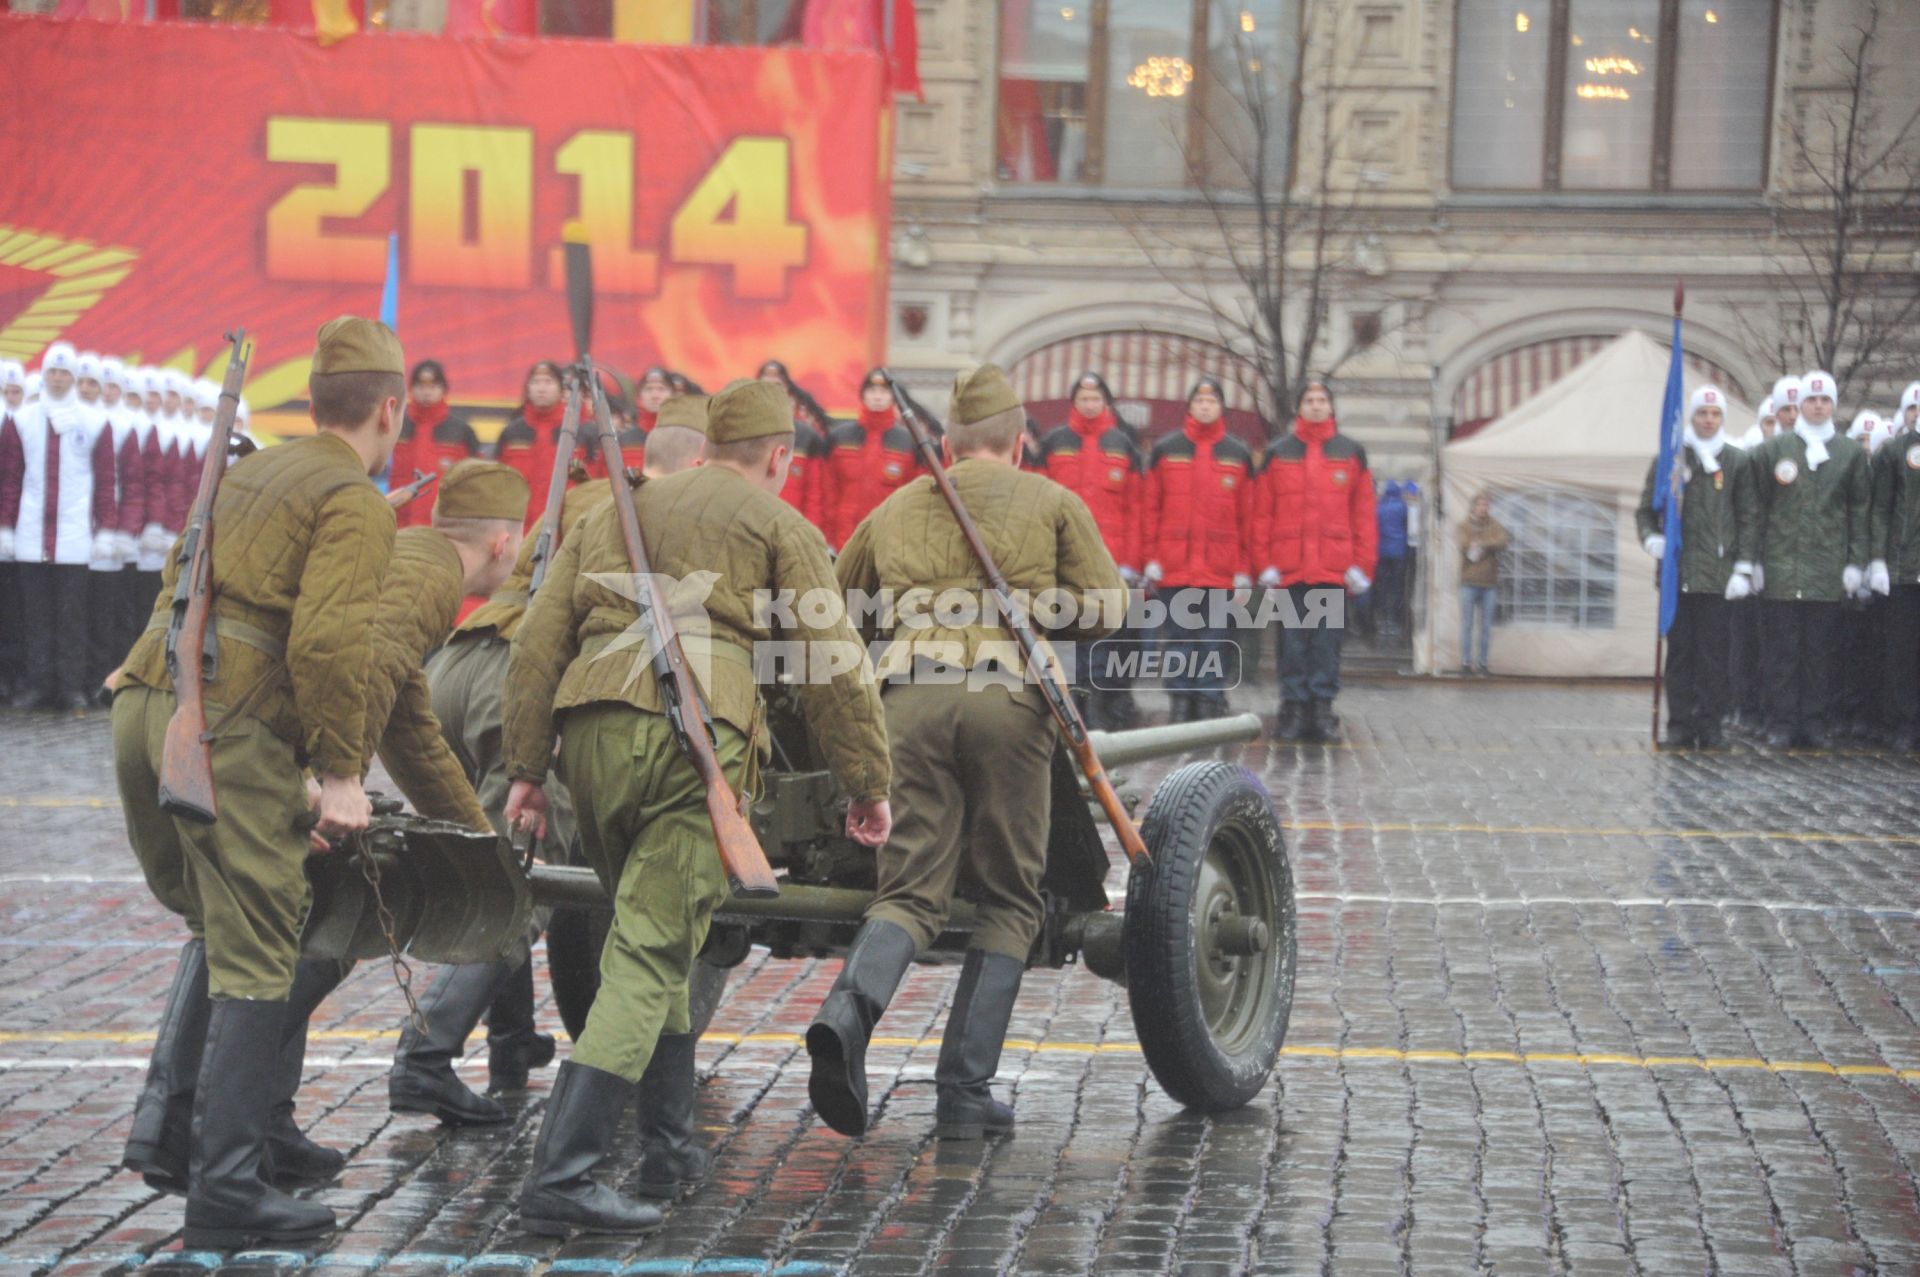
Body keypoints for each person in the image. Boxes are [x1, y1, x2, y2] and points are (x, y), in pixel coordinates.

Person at [501, 379, 892, 1236]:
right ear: (780, 456)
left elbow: (537, 642)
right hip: (691, 740)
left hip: (592, 739)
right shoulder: (780, 524)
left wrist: (525, 767)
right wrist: (867, 781)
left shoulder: (613, 512)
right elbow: (833, 659)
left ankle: (672, 1146)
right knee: (648, 950)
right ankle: (562, 1173)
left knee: (660, 932)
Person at [112, 316, 403, 1251]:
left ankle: (173, 1134)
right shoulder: (352, 496)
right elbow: (327, 641)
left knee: (219, 920)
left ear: (311, 400)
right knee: (257, 948)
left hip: (149, 703)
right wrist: (341, 774)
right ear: (390, 409)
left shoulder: (246, 472)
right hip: (225, 723)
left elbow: (177, 587)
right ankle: (228, 1190)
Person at [809, 365, 1124, 1142]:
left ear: (947, 444)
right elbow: (1107, 608)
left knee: (911, 891)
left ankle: (847, 1015)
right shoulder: (1052, 500)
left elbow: (837, 607)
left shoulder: (895, 506)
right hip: (1009, 701)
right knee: (1011, 896)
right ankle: (962, 1092)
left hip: (907, 699)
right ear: (1019, 442)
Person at [1737, 369, 1871, 749]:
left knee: (1819, 654)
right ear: (1798, 406)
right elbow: (1755, 510)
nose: (1817, 406)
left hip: (1827, 571)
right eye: (1810, 400)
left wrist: (1855, 563)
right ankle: (1781, 723)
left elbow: (1859, 511)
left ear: (1833, 405)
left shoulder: (1850, 454)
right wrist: (1753, 561)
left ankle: (1814, 723)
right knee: (1782, 653)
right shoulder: (1771, 453)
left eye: (1824, 400)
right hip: (1781, 568)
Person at [1252, 378, 1377, 740]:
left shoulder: (1351, 452)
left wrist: (1362, 565)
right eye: (1310, 399)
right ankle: (1293, 709)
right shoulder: (1279, 451)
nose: (1316, 405)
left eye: (1322, 399)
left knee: (1325, 645)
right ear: (1300, 407)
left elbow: (1363, 513)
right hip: (1290, 570)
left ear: (1331, 407)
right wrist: (1265, 564)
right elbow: (1263, 513)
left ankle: (1321, 710)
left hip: (1332, 569)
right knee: (1292, 644)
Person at [1636, 386, 1747, 749]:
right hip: (1678, 575)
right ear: (1692, 417)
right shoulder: (1670, 459)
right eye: (1702, 413)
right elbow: (1647, 509)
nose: (1709, 420)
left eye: (1715, 414)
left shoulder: (1735, 461)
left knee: (1715, 657)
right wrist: (1651, 537)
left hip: (1717, 577)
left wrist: (1743, 567)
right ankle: (1680, 725)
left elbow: (1748, 516)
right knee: (1680, 655)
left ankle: (1711, 724)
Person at [1142, 377, 1255, 722]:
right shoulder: (1166, 448)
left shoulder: (1237, 453)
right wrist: (1150, 558)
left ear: (1221, 407)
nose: (1205, 407)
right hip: (1176, 567)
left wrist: (1244, 569)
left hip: (1221, 570)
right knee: (1178, 639)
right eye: (1199, 401)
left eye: (1212, 401)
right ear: (1189, 407)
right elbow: (1151, 508)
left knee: (1215, 640)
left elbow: (1248, 516)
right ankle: (1180, 701)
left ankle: (1208, 702)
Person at [1, 342, 107, 711]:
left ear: (74, 378)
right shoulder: (23, 419)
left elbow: (106, 479)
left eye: (65, 373)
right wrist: (6, 527)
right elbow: (11, 478)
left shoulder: (93, 422)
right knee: (36, 617)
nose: (59, 378)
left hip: (75, 534)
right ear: (44, 375)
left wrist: (107, 529)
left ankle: (70, 686)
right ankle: (38, 684)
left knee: (72, 616)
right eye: (53, 372)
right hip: (32, 531)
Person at [1037, 371, 1144, 729]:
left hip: (1108, 562)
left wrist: (1131, 563)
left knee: (1103, 636)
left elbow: (1135, 510)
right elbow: (1036, 502)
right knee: (1066, 634)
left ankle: (1097, 706)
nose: (1089, 404)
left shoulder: (1122, 444)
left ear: (1106, 402)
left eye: (1096, 398)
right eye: (1083, 398)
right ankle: (1069, 708)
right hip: (1061, 558)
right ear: (1074, 402)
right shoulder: (1054, 443)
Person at [823, 368, 919, 549]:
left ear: (893, 398)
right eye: (872, 391)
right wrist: (826, 535)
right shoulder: (840, 437)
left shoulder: (908, 442)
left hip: (887, 537)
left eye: (884, 392)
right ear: (863, 395)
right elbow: (828, 491)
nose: (877, 397)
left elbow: (913, 497)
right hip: (843, 537)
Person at [1872, 392, 1920, 748]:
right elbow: (1880, 509)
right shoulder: (1894, 452)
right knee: (1902, 652)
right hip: (1904, 568)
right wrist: (1878, 559)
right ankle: (1903, 724)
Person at [389, 360, 481, 527]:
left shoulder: (462, 432)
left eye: (433, 386)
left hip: (443, 528)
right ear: (411, 389)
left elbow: (477, 483)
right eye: (421, 386)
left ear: (444, 389)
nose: (426, 392)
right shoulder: (395, 427)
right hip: (398, 525)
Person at [494, 360, 579, 529]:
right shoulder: (512, 433)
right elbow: (497, 487)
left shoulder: (579, 433)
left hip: (567, 531)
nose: (541, 388)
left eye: (548, 382)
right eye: (536, 382)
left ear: (562, 390)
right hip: (519, 531)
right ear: (528, 388)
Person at [758, 359, 829, 530]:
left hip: (791, 528)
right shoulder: (744, 431)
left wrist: (811, 532)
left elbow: (815, 494)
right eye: (766, 386)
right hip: (755, 525)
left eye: (777, 386)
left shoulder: (806, 436)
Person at [1456, 493, 1507, 676]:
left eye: (1486, 505)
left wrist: (1482, 543)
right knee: (1467, 625)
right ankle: (1466, 663)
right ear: (1473, 507)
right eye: (1480, 505)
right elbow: (1463, 544)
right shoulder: (1464, 526)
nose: (1483, 508)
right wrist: (1484, 544)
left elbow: (1502, 540)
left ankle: (1483, 664)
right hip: (1468, 582)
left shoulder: (1494, 525)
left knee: (1485, 627)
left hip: (1489, 583)